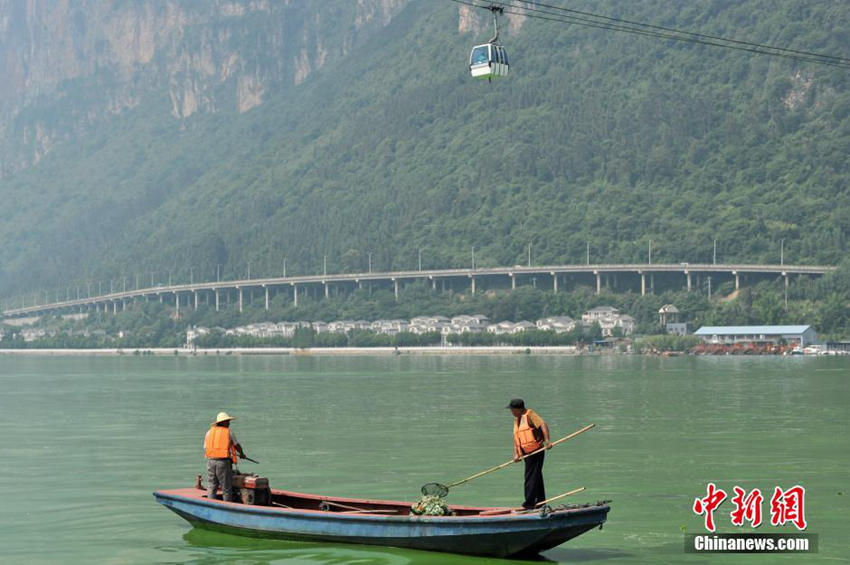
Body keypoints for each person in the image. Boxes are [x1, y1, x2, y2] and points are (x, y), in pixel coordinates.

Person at [507, 398, 551, 509]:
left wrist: (547, 441)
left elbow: (543, 425)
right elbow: (517, 438)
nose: (511, 412)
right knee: (536, 476)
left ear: (518, 409)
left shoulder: (530, 414)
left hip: (536, 451)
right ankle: (540, 502)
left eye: (512, 410)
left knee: (530, 477)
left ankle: (529, 503)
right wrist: (516, 454)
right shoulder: (517, 419)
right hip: (527, 453)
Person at [204, 411, 246, 501]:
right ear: (222, 422)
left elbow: (205, 447)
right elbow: (237, 445)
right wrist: (242, 454)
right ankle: (228, 506)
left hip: (210, 461)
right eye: (227, 421)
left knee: (212, 486)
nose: (229, 423)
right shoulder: (228, 432)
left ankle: (211, 504)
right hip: (222, 462)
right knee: (226, 487)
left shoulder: (209, 432)